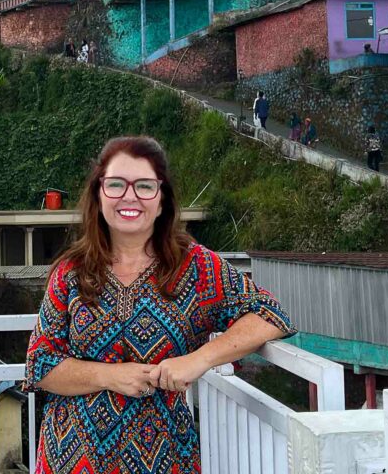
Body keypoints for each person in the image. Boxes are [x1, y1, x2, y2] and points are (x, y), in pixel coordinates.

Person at [25, 137, 295, 473]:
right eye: (116, 184)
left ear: (162, 198)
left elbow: (270, 314)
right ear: (98, 194)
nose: (129, 196)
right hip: (71, 458)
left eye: (144, 186)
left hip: (164, 458)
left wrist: (198, 360)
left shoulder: (195, 267)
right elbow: (40, 365)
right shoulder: (72, 272)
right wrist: (111, 376)